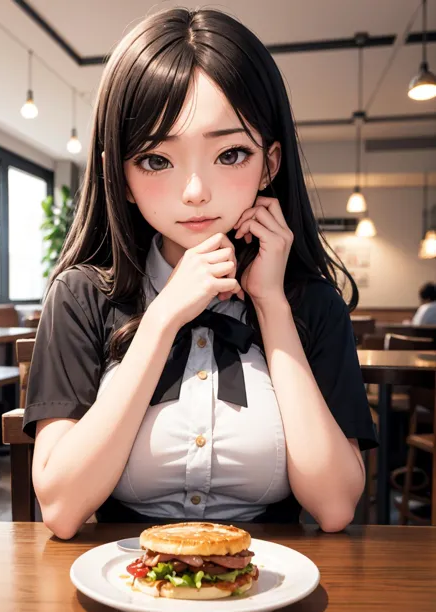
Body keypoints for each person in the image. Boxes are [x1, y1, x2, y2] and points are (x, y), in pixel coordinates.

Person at [23, 8, 378, 540]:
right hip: (123, 585)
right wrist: (163, 316)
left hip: (275, 587)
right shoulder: (80, 297)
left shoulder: (312, 305)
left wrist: (273, 307)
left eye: (230, 153)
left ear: (271, 162)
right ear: (117, 175)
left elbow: (333, 507)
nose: (195, 192)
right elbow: (62, 509)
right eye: (156, 160)